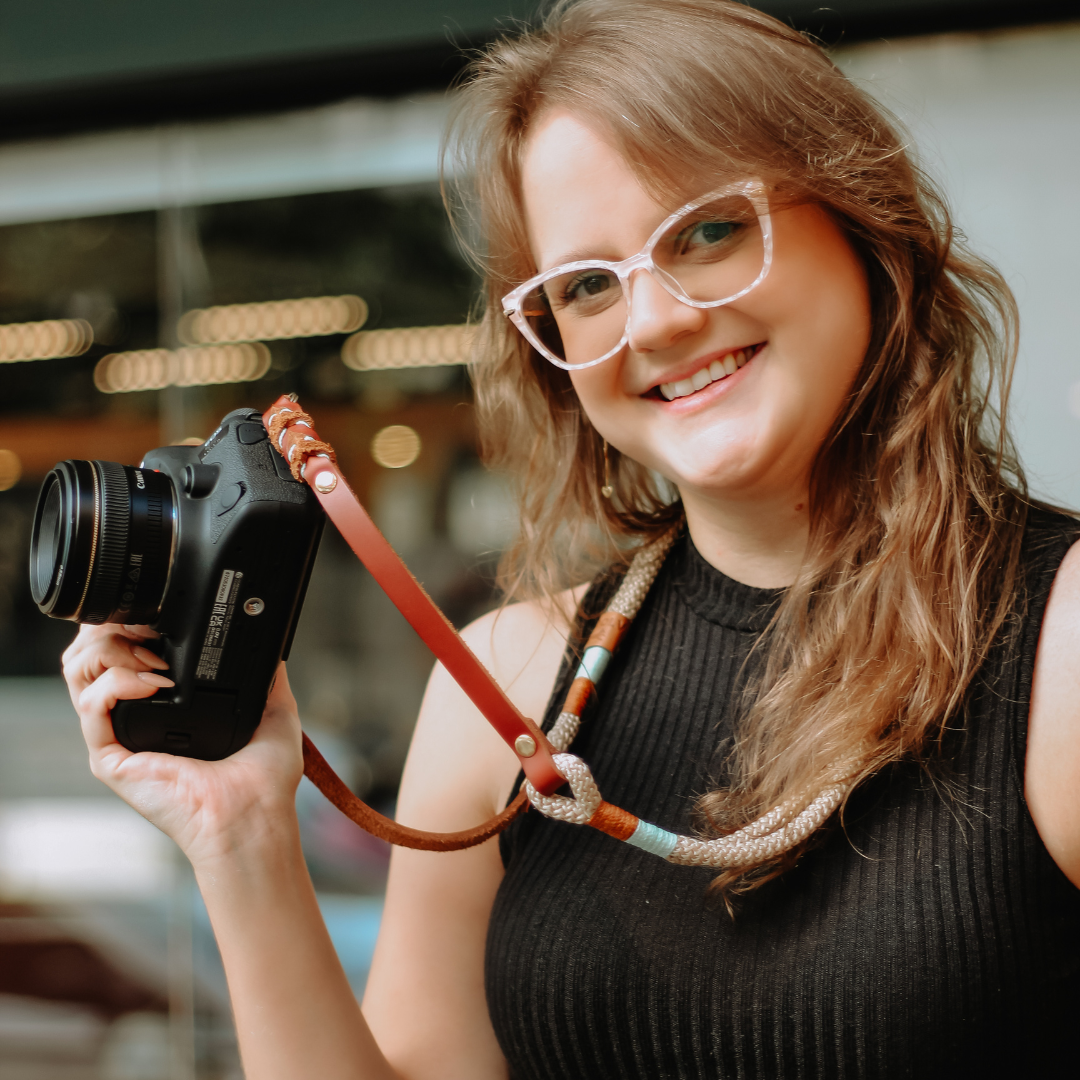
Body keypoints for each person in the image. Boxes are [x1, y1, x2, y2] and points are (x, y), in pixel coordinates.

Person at [60, 1, 1080, 1076]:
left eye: (709, 230)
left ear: (863, 228)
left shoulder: (1058, 647)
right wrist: (242, 838)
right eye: (588, 286)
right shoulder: (506, 685)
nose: (658, 320)